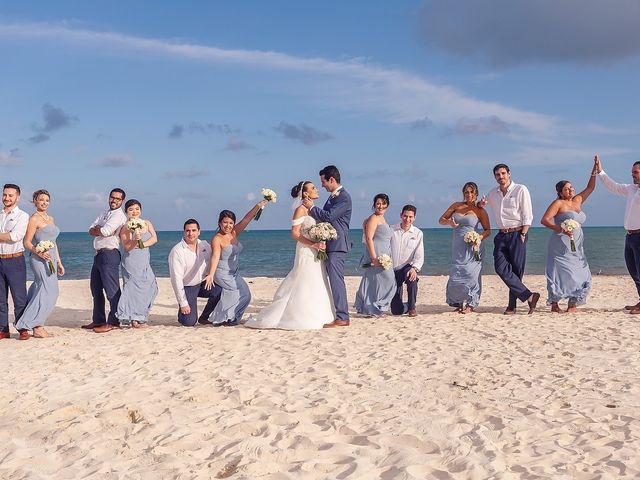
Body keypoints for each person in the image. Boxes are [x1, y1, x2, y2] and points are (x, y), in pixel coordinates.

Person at [245, 181, 335, 329]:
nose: (317, 189)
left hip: (317, 249)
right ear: (305, 193)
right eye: (313, 188)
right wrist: (313, 244)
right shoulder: (300, 210)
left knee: (317, 279)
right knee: (304, 280)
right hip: (306, 250)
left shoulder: (313, 209)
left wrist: (322, 238)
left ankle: (321, 313)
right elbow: (294, 233)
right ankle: (298, 314)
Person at [483, 164, 540, 314]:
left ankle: (511, 305)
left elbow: (528, 213)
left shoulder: (520, 189)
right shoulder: (492, 193)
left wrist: (523, 233)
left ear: (509, 173)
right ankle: (529, 296)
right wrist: (480, 204)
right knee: (500, 268)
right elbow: (482, 202)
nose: (500, 177)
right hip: (501, 235)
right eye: (497, 175)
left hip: (517, 233)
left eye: (503, 173)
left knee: (516, 271)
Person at [540, 162, 597, 313]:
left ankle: (573, 303)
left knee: (581, 273)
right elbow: (544, 220)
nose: (570, 190)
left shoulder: (577, 200)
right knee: (559, 272)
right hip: (560, 244)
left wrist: (594, 171)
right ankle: (554, 303)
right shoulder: (558, 203)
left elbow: (590, 188)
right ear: (560, 192)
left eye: (571, 187)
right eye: (566, 189)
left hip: (577, 246)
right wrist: (560, 229)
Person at [204, 201, 268, 326]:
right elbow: (215, 256)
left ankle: (233, 318)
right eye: (225, 222)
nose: (228, 225)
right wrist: (211, 274)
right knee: (237, 293)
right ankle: (224, 318)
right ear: (219, 223)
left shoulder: (233, 233)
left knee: (247, 295)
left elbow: (246, 219)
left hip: (234, 272)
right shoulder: (217, 239)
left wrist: (258, 206)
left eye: (231, 222)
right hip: (221, 273)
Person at [303, 165, 352, 327]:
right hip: (329, 243)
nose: (322, 185)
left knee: (337, 281)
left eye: (323, 181)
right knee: (330, 280)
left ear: (332, 179)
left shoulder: (343, 197)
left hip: (338, 244)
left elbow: (329, 216)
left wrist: (311, 207)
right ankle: (336, 313)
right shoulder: (332, 197)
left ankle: (343, 317)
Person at [15, 190, 64, 339]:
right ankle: (36, 326)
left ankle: (33, 323)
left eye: (47, 200)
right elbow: (27, 242)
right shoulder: (34, 219)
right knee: (49, 290)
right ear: (35, 201)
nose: (44, 202)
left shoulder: (51, 218)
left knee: (41, 289)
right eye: (41, 199)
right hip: (39, 259)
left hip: (52, 259)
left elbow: (54, 243)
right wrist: (39, 252)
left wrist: (59, 262)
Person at [595, 155, 640, 313]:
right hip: (630, 236)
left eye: (635, 172)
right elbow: (612, 186)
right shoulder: (631, 189)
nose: (632, 174)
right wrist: (600, 171)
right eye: (632, 172)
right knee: (633, 271)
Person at [439, 182, 491, 314]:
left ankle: (471, 303)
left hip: (473, 246)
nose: (469, 195)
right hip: (457, 246)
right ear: (463, 194)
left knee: (472, 274)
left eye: (472, 192)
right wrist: (449, 222)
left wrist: (478, 238)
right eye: (467, 192)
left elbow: (487, 230)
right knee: (457, 272)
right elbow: (441, 220)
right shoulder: (456, 206)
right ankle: (458, 302)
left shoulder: (480, 211)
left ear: (476, 194)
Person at [86, 188, 127, 333]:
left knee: (112, 290)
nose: (114, 200)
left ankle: (115, 321)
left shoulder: (119, 215)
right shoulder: (104, 213)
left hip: (110, 254)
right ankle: (98, 320)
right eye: (112, 197)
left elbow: (105, 231)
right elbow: (90, 229)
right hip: (98, 254)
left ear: (122, 201)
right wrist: (98, 229)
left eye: (117, 198)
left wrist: (99, 228)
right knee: (96, 289)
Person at [168, 219, 222, 327]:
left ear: (199, 231)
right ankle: (183, 313)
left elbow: (214, 258)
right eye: (188, 231)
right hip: (187, 287)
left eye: (194, 230)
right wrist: (183, 304)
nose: (191, 233)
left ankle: (205, 317)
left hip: (202, 283)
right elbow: (176, 280)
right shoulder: (177, 251)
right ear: (184, 232)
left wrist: (210, 275)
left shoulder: (204, 245)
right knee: (189, 322)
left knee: (220, 290)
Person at [116, 199, 158, 328]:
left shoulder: (146, 223)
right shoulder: (125, 227)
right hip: (131, 260)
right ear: (126, 211)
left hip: (144, 259)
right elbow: (127, 247)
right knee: (132, 289)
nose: (134, 212)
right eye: (131, 209)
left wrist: (142, 244)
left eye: (137, 209)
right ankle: (132, 317)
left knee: (151, 287)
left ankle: (140, 315)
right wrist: (135, 239)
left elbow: (154, 239)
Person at [354, 193, 395, 317]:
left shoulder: (382, 218)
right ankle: (373, 308)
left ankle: (375, 308)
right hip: (376, 255)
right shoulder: (373, 218)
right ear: (374, 205)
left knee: (381, 282)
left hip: (385, 254)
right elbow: (368, 238)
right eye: (378, 203)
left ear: (387, 205)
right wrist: (374, 257)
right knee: (384, 281)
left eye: (383, 203)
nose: (380, 206)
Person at [0, 184, 29, 340]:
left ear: (17, 197)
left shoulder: (22, 216)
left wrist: (6, 235)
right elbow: (7, 235)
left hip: (15, 260)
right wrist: (5, 235)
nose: (6, 198)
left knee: (19, 297)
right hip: (0, 260)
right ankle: (3, 330)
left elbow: (15, 236)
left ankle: (22, 328)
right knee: (0, 299)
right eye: (4, 195)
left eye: (10, 195)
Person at [390, 205, 424, 317]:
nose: (407, 219)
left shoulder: (418, 233)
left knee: (412, 278)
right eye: (405, 216)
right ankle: (405, 306)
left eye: (410, 217)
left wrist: (415, 269)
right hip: (392, 269)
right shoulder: (392, 230)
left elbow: (419, 255)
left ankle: (412, 308)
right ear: (401, 215)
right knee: (396, 311)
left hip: (407, 267)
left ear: (414, 218)